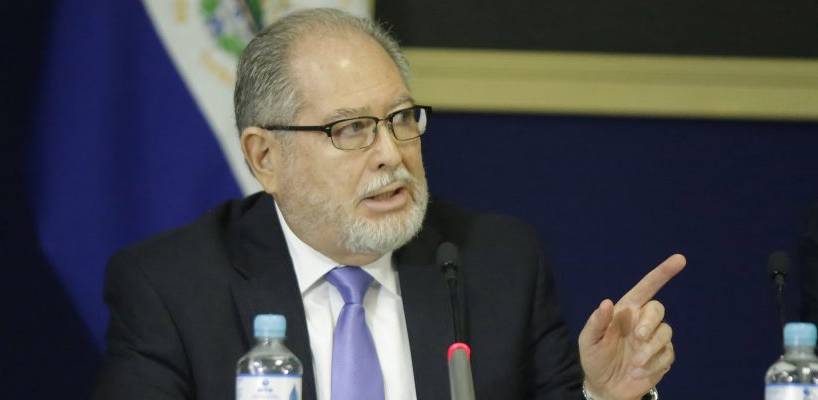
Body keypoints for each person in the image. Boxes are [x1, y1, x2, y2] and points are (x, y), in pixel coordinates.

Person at [92, 8, 684, 400]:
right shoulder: (173, 287)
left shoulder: (496, 262)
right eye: (350, 129)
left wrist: (604, 395)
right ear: (265, 157)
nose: (390, 154)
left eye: (401, 118)